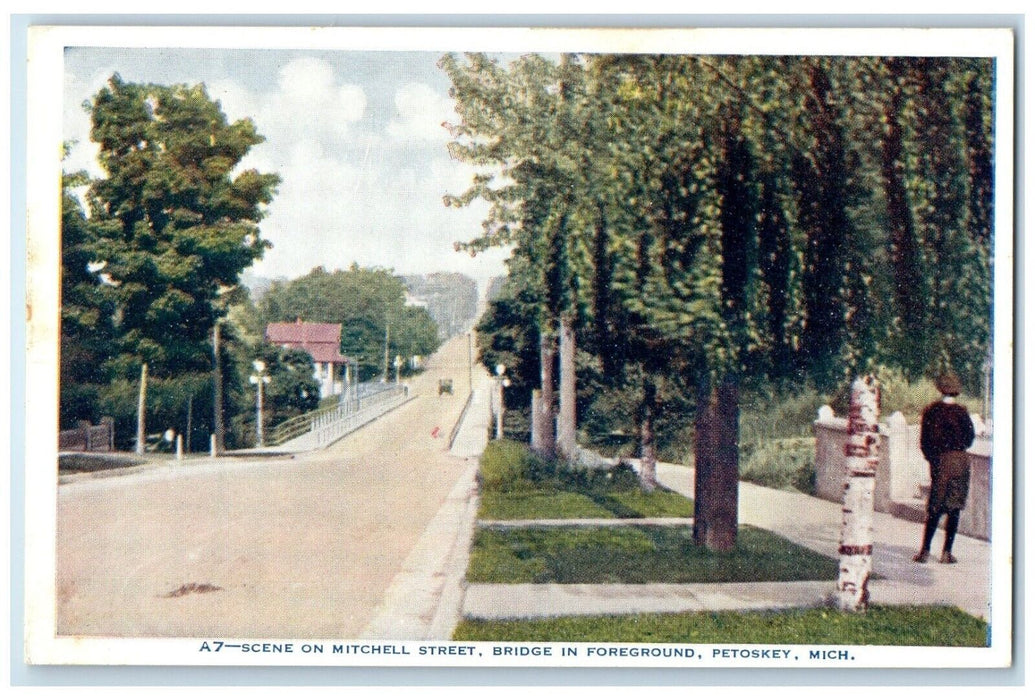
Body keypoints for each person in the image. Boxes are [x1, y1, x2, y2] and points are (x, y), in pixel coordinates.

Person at [913, 373, 976, 564]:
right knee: (954, 507)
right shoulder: (962, 412)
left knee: (935, 506)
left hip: (940, 461)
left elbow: (924, 441)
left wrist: (933, 460)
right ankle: (947, 553)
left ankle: (925, 551)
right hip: (960, 461)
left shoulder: (931, 411)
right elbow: (970, 438)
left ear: (940, 389)